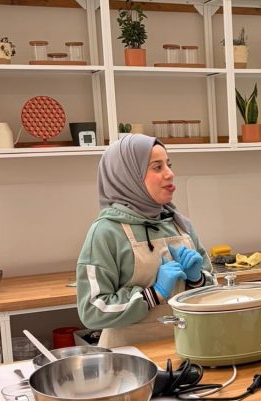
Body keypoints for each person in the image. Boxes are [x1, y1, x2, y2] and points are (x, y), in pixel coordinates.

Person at [77, 134, 214, 347]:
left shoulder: (179, 223)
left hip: (187, 346)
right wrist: (153, 294)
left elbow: (212, 290)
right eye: (157, 167)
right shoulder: (106, 232)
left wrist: (198, 280)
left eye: (168, 165)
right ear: (128, 176)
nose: (170, 174)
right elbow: (92, 310)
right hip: (129, 362)